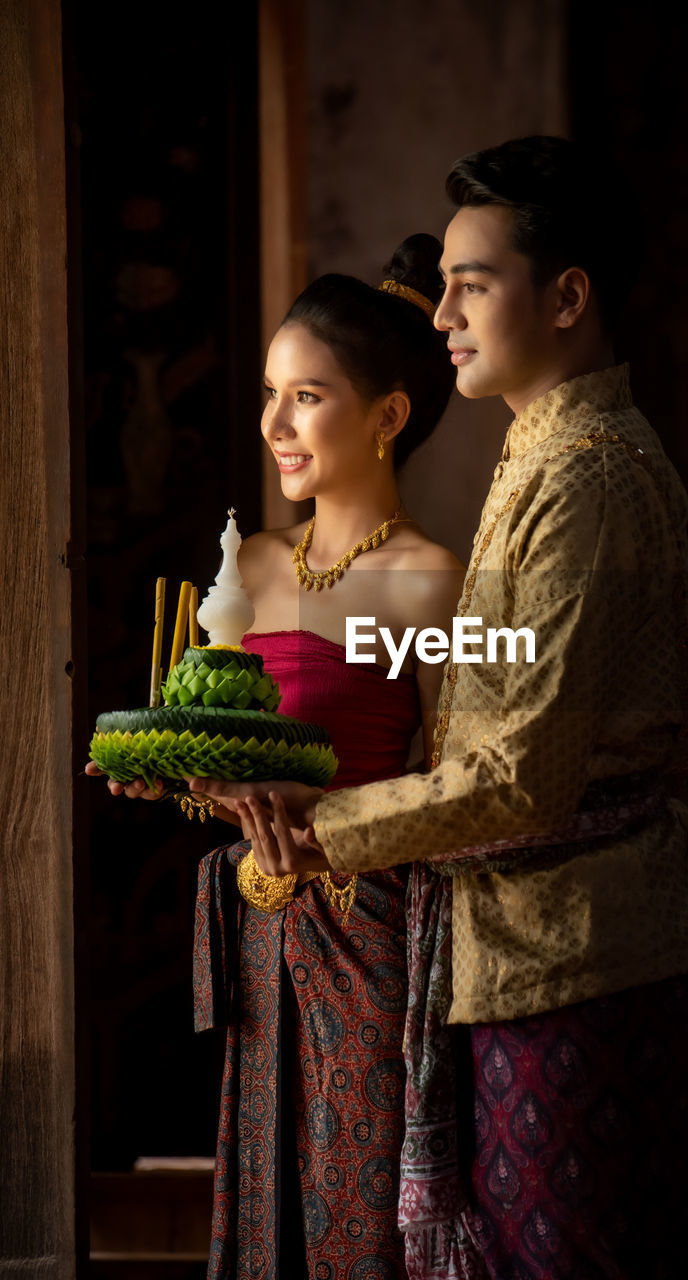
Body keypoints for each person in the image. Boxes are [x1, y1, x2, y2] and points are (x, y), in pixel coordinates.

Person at [194, 138, 688, 1280]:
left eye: (474, 282)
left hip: (577, 953)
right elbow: (510, 658)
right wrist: (346, 643)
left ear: (566, 296)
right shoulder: (540, 450)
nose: (444, 308)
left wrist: (316, 830)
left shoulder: (588, 473)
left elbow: (516, 772)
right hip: (518, 939)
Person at [90, 234, 464, 1280]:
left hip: (372, 928)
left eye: (306, 395)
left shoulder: (431, 584)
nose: (272, 425)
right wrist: (180, 779)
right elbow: (227, 754)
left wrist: (326, 812)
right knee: (267, 1214)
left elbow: (458, 782)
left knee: (364, 1216)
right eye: (268, 393)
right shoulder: (248, 566)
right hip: (263, 934)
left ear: (387, 415)